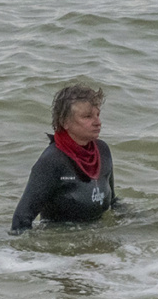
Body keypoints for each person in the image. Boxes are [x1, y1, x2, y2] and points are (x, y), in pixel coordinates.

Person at [10, 83, 117, 234]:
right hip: (62, 250)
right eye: (87, 116)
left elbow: (113, 202)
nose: (97, 122)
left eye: (97, 115)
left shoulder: (103, 150)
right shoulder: (52, 161)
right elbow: (20, 221)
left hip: (98, 246)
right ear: (64, 121)